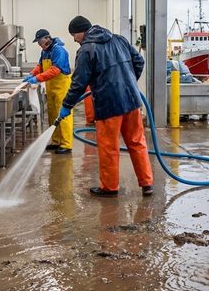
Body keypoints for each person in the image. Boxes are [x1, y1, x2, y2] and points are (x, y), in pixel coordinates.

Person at [59, 16, 154, 198]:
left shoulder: (86, 50)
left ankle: (110, 188)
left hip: (108, 104)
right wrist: (129, 81)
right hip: (132, 100)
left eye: (74, 35)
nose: (74, 40)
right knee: (137, 142)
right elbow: (139, 62)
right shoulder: (119, 39)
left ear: (81, 32)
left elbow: (78, 82)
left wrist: (67, 105)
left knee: (109, 147)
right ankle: (147, 184)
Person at [23, 29, 73, 154]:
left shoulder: (59, 50)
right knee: (52, 114)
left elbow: (55, 70)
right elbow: (40, 66)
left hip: (62, 86)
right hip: (51, 87)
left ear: (47, 38)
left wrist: (37, 78)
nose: (39, 44)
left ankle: (66, 144)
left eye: (40, 41)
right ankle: (56, 141)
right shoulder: (44, 51)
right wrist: (32, 74)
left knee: (63, 115)